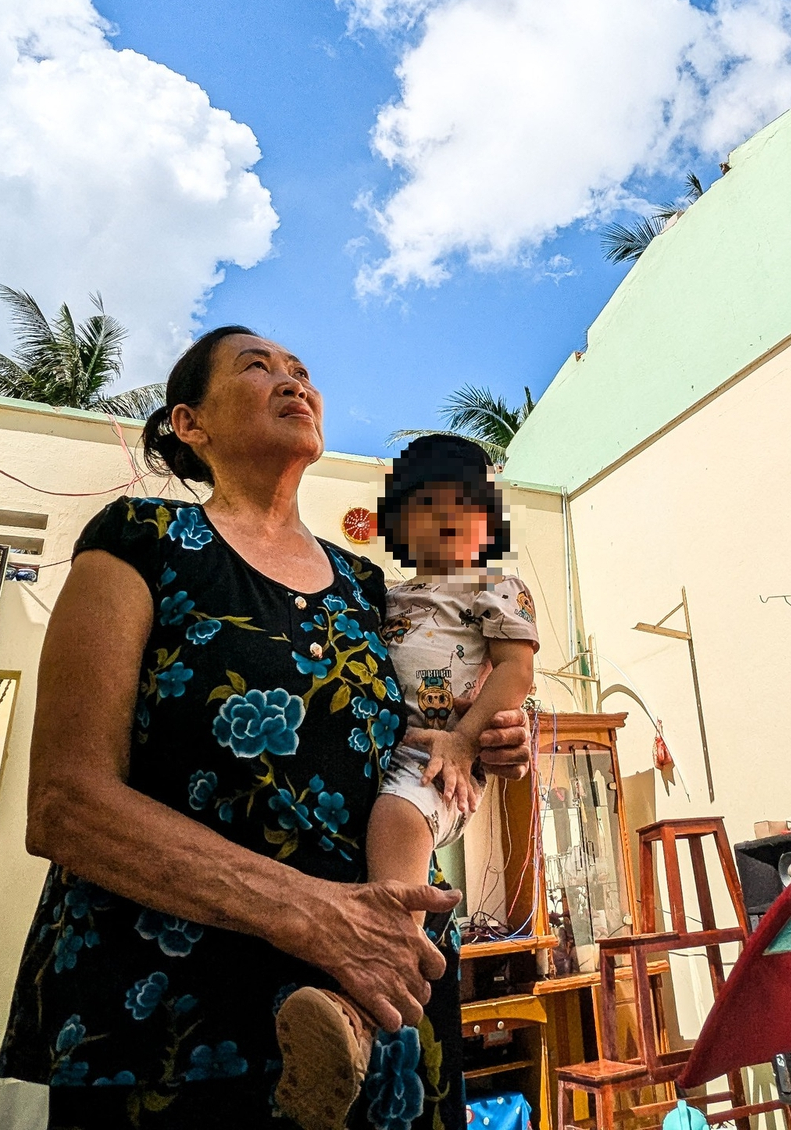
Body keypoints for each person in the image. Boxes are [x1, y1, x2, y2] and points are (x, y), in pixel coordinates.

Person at [0, 327, 533, 1129]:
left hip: (383, 1007)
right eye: (258, 368)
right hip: (178, 1017)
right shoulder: (141, 542)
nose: (293, 382)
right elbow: (67, 805)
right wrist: (319, 916)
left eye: (303, 372)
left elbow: (414, 730)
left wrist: (489, 738)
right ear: (190, 423)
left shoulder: (365, 586)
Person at [273, 435, 538, 1127]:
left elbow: (515, 672)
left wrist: (466, 735)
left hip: (438, 758)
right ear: (396, 523)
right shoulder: (383, 593)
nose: (448, 517)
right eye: (427, 505)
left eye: (466, 506)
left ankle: (365, 1004)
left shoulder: (496, 587)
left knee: (396, 820)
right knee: (377, 825)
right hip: (390, 750)